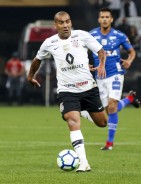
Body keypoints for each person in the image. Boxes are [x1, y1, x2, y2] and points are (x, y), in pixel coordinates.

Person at [27, 11, 108, 172]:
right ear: (55, 25)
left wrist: (101, 65)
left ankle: (83, 112)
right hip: (67, 90)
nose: (65, 25)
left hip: (88, 88)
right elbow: (37, 60)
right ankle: (83, 162)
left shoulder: (82, 36)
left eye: (68, 22)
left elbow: (100, 51)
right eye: (61, 23)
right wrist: (30, 76)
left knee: (102, 123)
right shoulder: (49, 43)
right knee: (72, 121)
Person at [85, 7, 141, 151]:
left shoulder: (119, 35)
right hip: (100, 76)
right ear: (99, 19)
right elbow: (83, 51)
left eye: (107, 17)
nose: (104, 19)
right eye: (102, 17)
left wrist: (129, 60)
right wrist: (86, 63)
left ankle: (109, 143)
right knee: (108, 111)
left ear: (111, 19)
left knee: (111, 106)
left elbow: (132, 51)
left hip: (115, 73)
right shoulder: (91, 35)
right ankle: (128, 99)